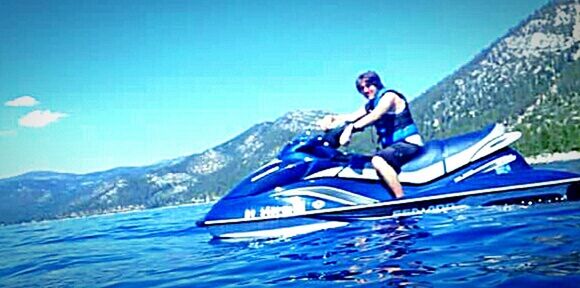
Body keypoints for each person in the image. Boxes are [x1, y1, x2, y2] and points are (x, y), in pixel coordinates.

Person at [318, 71, 423, 198]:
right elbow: (351, 116)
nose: (365, 90)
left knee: (378, 160)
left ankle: (401, 199)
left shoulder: (389, 96)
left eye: (368, 86)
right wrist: (332, 118)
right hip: (394, 147)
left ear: (377, 84)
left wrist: (351, 128)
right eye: (362, 88)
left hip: (409, 143)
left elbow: (375, 115)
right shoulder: (371, 104)